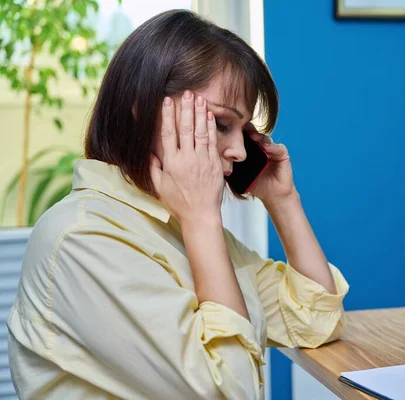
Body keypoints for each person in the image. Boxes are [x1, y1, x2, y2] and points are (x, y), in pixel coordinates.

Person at [6, 9, 349, 400]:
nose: (239, 150)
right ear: (143, 107)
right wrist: (202, 218)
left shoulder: (174, 226)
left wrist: (283, 200)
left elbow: (315, 319)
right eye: (222, 124)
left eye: (243, 130)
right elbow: (230, 393)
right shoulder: (83, 240)